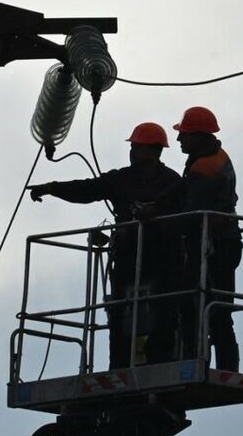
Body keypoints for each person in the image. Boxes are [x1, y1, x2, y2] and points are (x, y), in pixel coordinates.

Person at [28, 123, 181, 368]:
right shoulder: (122, 179)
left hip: (161, 258)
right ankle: (119, 365)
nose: (132, 152)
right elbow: (87, 189)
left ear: (154, 151)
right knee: (120, 312)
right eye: (132, 147)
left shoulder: (172, 183)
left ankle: (161, 360)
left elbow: (183, 212)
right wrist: (53, 188)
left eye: (136, 147)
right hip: (127, 257)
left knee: (163, 309)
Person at [160, 106, 242, 371]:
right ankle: (225, 367)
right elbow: (182, 189)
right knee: (218, 308)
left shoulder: (204, 168)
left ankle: (194, 363)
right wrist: (158, 203)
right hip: (224, 241)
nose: (179, 138)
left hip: (213, 246)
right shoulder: (214, 157)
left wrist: (161, 226)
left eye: (184, 134)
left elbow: (192, 211)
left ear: (198, 135)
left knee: (193, 305)